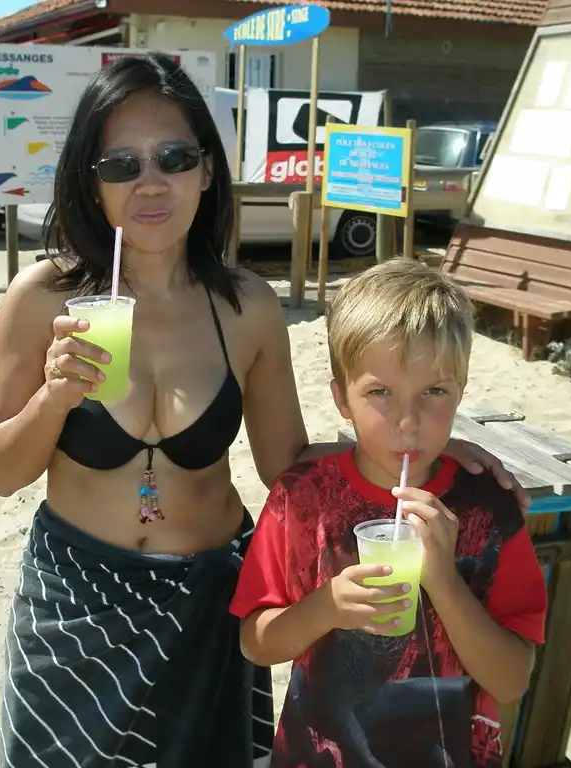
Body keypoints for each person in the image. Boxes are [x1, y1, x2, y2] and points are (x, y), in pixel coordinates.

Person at [0, 53, 528, 768]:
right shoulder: (41, 297)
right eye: (121, 164)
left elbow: (286, 468)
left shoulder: (246, 307)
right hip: (75, 599)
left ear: (207, 170)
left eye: (173, 157)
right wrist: (55, 398)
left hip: (208, 596)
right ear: (92, 178)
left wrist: (431, 452)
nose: (150, 182)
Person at [230, 259, 549, 768]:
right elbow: (256, 644)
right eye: (380, 392)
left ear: (460, 393)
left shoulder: (488, 509)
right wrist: (326, 607)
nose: (408, 421)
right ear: (342, 399)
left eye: (434, 392)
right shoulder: (300, 500)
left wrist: (443, 580)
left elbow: (511, 682)